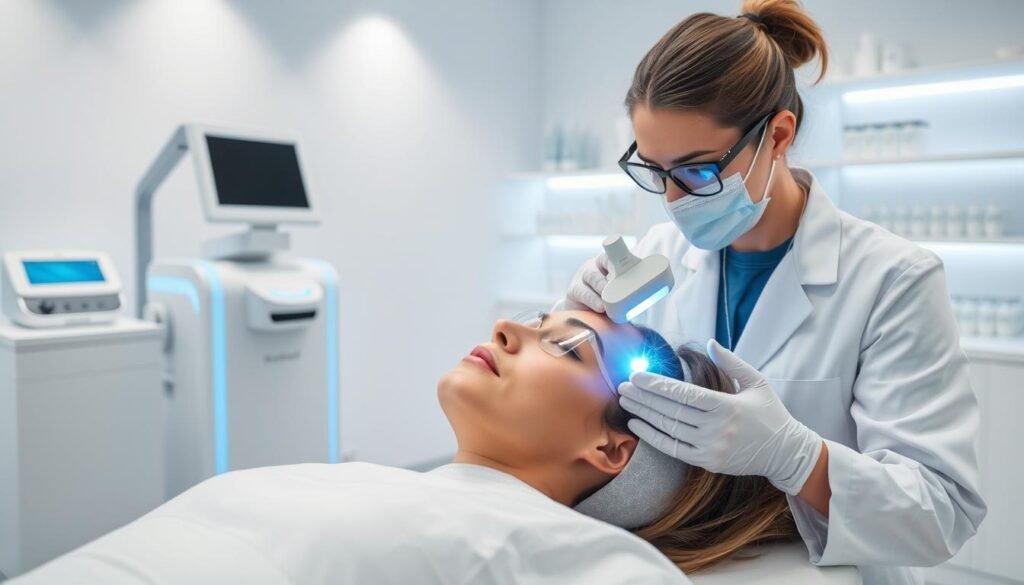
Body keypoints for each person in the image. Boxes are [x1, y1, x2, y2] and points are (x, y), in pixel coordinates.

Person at [564, 1, 986, 583]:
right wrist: (574, 324)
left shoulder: (892, 279)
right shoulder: (660, 253)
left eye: (697, 172)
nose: (673, 199)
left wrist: (795, 457)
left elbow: (941, 514)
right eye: (655, 171)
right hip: (681, 559)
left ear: (778, 136)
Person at [13, 311, 795, 584]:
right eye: (536, 321)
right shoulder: (368, 480)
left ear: (612, 451)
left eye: (565, 349)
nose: (507, 328)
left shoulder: (571, 553)